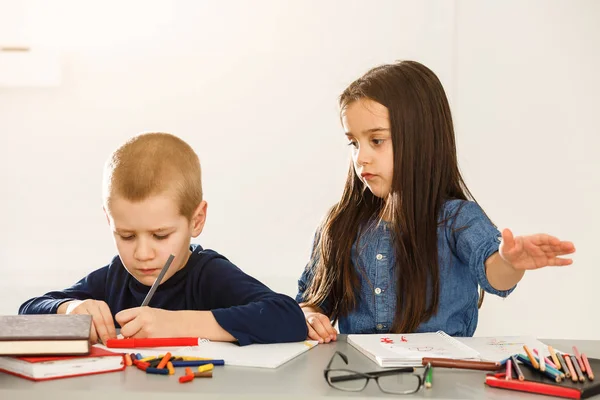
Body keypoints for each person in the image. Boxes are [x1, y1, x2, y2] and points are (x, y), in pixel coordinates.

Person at [296, 61, 575, 343]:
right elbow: (312, 300)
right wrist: (308, 316)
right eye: (354, 143)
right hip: (358, 379)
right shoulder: (340, 225)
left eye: (377, 140)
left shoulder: (456, 220)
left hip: (441, 378)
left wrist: (510, 262)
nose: (361, 158)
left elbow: (495, 275)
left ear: (420, 139)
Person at [20, 132, 307, 345]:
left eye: (160, 235)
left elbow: (288, 317)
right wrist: (69, 309)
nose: (143, 253)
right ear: (110, 221)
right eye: (127, 235)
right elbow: (27, 313)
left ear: (196, 220)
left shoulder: (207, 273)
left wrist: (179, 323)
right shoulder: (115, 277)